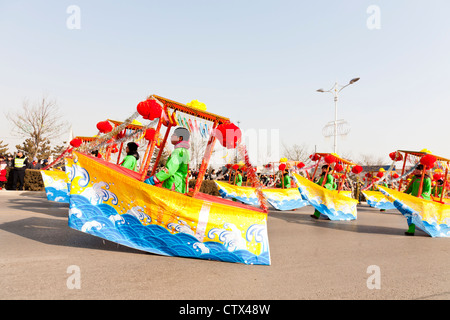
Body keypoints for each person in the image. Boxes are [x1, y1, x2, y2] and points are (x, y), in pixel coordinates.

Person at [144, 127, 191, 194]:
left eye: (174, 135)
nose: (171, 136)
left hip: (174, 185)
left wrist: (153, 180)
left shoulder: (178, 151)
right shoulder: (184, 151)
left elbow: (169, 170)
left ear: (180, 138)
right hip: (181, 185)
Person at [403, 164, 432, 236]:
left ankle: (429, 230)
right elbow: (409, 188)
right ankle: (411, 229)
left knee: (423, 216)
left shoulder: (427, 179)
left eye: (418, 169)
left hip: (422, 200)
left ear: (423, 170)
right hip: (413, 199)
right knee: (410, 214)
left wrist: (422, 196)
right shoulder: (414, 178)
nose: (416, 171)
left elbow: (427, 190)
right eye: (416, 169)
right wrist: (404, 194)